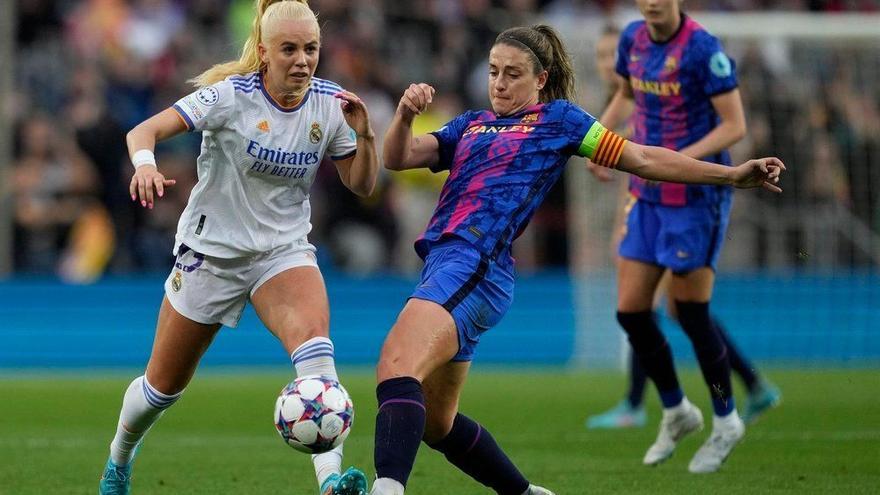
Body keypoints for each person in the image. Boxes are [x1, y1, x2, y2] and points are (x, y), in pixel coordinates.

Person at [360, 24, 783, 495]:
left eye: (513, 74)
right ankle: (525, 493)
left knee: (397, 364)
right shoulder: (470, 124)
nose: (499, 83)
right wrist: (402, 116)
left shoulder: (559, 121)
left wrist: (729, 175)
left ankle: (387, 489)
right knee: (438, 424)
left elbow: (641, 157)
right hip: (449, 265)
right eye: (494, 72)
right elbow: (398, 158)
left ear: (541, 79)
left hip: (474, 262)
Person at [96, 1, 377, 494]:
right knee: (161, 390)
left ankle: (332, 482)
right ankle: (119, 459)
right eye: (289, 49)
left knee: (318, 360)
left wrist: (366, 133)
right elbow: (143, 130)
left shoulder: (332, 106)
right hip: (212, 255)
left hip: (283, 252)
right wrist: (143, 163)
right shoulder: (229, 96)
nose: (302, 60)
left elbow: (363, 183)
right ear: (264, 53)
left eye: (310, 49)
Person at [582, 0, 781, 474]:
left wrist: (678, 164)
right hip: (646, 192)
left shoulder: (704, 50)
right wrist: (599, 137)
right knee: (631, 311)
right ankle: (675, 410)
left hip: (694, 198)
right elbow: (627, 97)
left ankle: (726, 417)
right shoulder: (632, 38)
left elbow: (735, 126)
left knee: (690, 314)